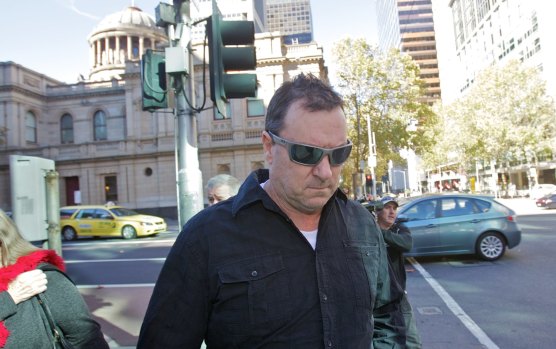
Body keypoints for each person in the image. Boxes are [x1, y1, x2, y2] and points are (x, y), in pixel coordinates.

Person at [138, 73, 405, 348]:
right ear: (269, 147)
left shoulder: (360, 222)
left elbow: (390, 314)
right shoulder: (206, 236)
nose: (325, 172)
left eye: (338, 154)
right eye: (306, 153)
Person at [0, 209, 109, 348]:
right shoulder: (16, 292)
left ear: (3, 242)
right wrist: (10, 298)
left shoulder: (41, 278)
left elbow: (86, 338)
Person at [376, 196, 422, 349]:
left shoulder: (399, 229)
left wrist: (381, 233)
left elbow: (407, 244)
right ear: (377, 211)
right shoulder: (368, 232)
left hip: (398, 295)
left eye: (394, 208)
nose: (391, 212)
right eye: (387, 207)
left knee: (411, 340)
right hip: (376, 299)